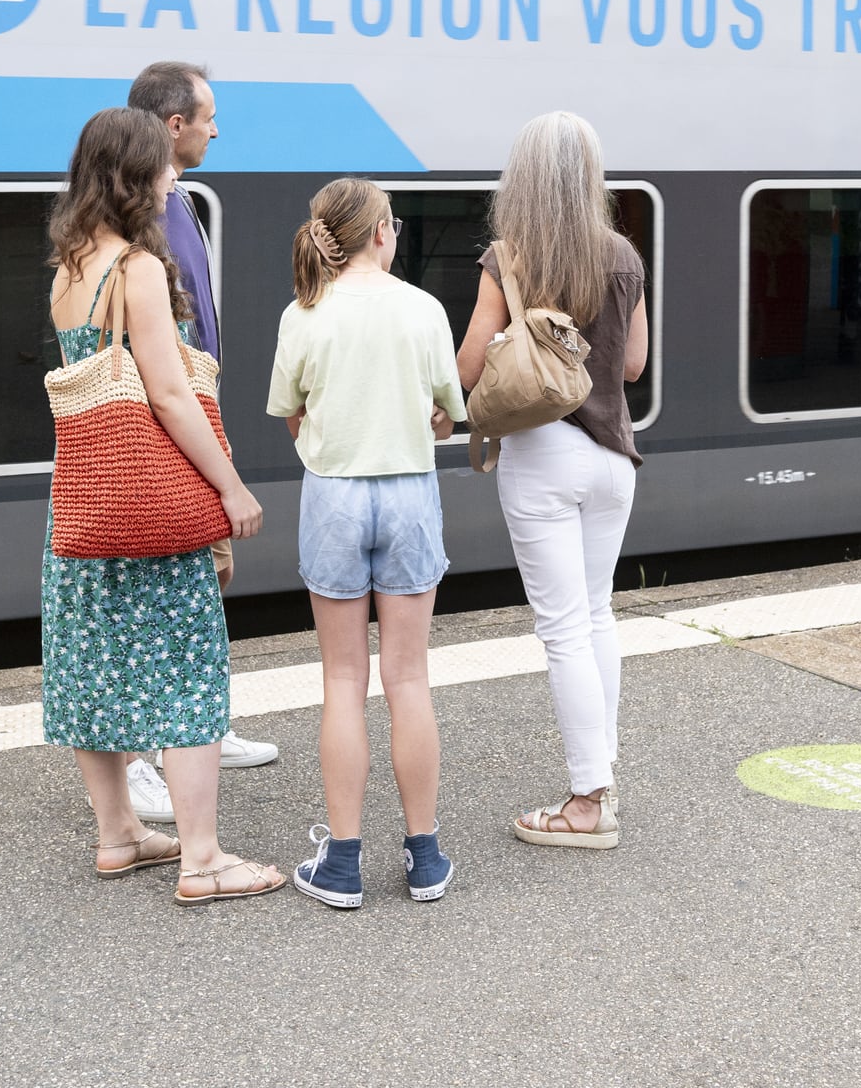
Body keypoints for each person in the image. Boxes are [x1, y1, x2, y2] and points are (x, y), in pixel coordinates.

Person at [44, 106, 284, 903]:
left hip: (83, 504)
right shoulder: (137, 270)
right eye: (163, 169)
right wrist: (230, 487)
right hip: (150, 503)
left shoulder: (69, 270)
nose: (173, 180)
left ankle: (118, 836)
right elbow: (172, 397)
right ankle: (203, 858)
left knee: (89, 663)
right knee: (184, 668)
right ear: (133, 177)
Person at [266, 178, 465, 908]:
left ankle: (343, 864)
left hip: (334, 497)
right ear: (382, 233)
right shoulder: (424, 309)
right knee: (407, 678)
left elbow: (290, 414)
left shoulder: (303, 313)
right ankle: (426, 858)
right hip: (410, 495)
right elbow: (448, 411)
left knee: (343, 682)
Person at [456, 112, 648, 850]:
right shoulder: (622, 254)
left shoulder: (510, 256)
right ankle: (602, 772)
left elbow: (470, 367)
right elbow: (630, 367)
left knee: (562, 628)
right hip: (613, 457)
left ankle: (585, 803)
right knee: (596, 615)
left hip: (542, 456)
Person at [121, 61, 278, 819]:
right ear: (173, 125)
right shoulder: (141, 219)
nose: (218, 130)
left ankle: (196, 730)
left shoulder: (174, 200)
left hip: (195, 410)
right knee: (160, 597)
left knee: (204, 580)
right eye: (209, 116)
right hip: (164, 428)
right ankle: (147, 755)